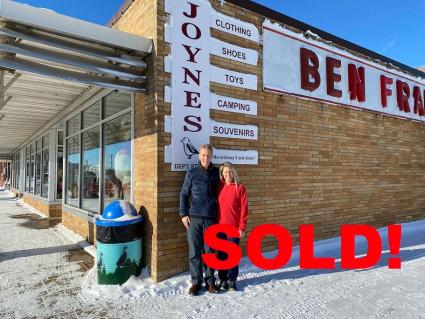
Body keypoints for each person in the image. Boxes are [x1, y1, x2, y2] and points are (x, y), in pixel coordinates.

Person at [180, 144, 220, 296]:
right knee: (195, 252)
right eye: (203, 155)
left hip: (211, 218)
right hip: (194, 218)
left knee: (210, 250)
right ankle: (196, 282)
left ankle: (210, 281)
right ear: (199, 156)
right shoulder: (192, 173)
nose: (205, 158)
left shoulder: (217, 173)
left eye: (208, 155)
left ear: (212, 156)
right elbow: (184, 194)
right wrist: (183, 214)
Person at [216, 162, 248, 292]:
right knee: (222, 256)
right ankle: (223, 279)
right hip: (219, 227)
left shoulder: (239, 188)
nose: (228, 174)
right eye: (225, 172)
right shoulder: (219, 186)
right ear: (222, 174)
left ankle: (232, 280)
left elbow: (244, 209)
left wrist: (242, 227)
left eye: (230, 172)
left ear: (233, 172)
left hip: (233, 228)